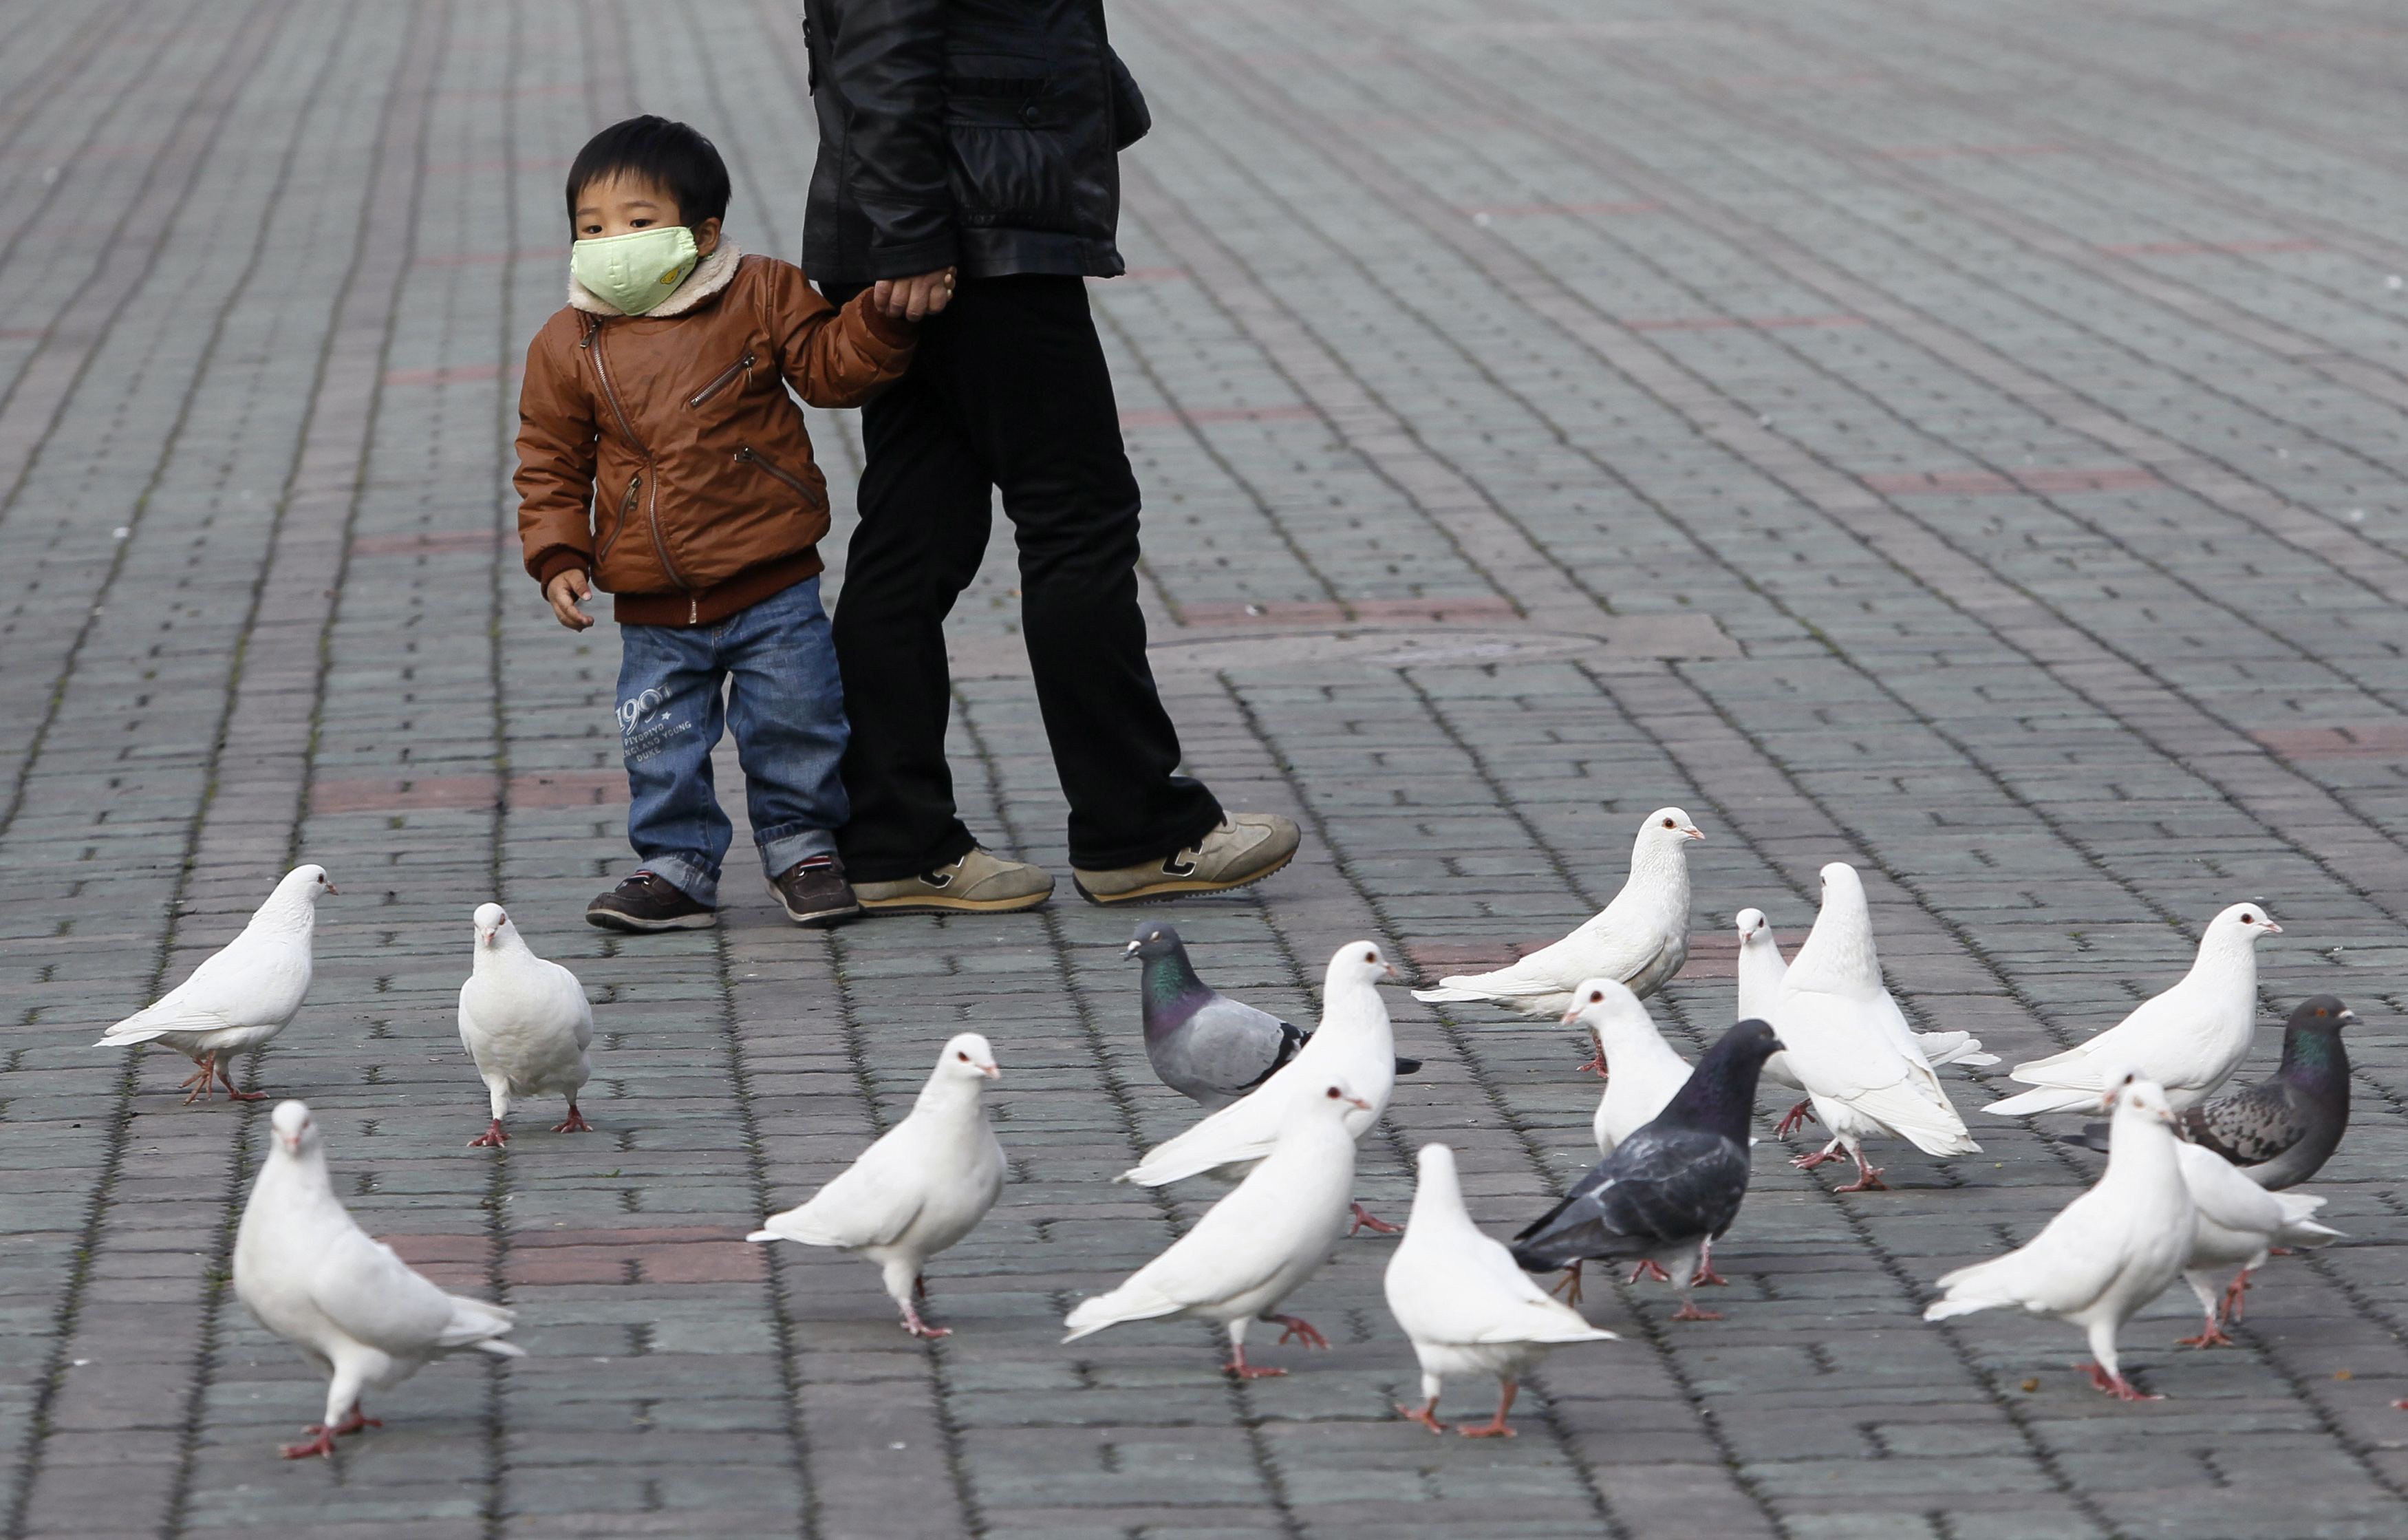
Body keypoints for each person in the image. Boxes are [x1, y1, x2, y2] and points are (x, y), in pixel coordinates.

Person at [799, 0, 1300, 913]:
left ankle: (894, 838)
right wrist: (911, 231)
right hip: (972, 241)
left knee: (916, 535)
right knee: (1079, 519)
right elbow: (879, 48)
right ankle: (1140, 828)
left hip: (956, 225)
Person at [515, 116, 917, 933]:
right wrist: (558, 551)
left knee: (796, 722)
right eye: (591, 228)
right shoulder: (568, 341)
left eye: (637, 223)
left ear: (702, 234)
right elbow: (549, 456)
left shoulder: (761, 292)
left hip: (769, 576)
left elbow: (830, 370)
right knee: (659, 739)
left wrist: (879, 319)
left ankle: (801, 846)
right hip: (653, 597)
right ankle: (676, 864)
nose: (612, 243)